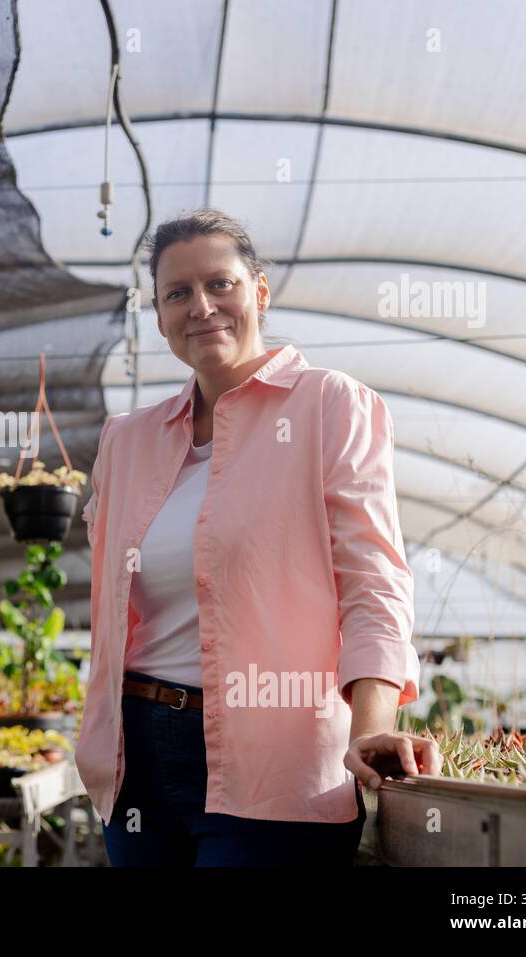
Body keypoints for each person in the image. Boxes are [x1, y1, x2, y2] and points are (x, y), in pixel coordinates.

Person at [75, 209, 440, 867]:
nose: (202, 306)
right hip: (137, 762)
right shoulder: (126, 441)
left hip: (276, 763)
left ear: (260, 293)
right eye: (177, 293)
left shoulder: (329, 405)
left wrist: (374, 726)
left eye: (222, 284)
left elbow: (373, 581)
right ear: (158, 316)